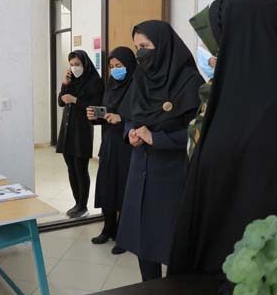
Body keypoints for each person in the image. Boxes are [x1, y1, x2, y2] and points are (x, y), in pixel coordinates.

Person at [169, 0, 277, 279]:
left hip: (258, 268)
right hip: (235, 259)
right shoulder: (243, 96)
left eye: (217, 44)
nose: (209, 53)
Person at [116, 20, 205, 281]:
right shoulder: (140, 77)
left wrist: (156, 138)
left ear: (163, 46)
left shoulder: (189, 81)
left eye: (145, 46)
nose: (140, 53)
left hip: (172, 175)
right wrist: (130, 133)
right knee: (144, 242)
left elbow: (198, 133)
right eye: (137, 47)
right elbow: (130, 116)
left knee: (172, 242)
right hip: (140, 171)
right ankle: (150, 292)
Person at [86, 46, 137, 254]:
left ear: (130, 65)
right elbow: (107, 113)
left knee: (124, 190)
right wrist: (96, 117)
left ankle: (124, 236)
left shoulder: (138, 86)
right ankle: (108, 229)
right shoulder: (111, 86)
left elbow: (143, 115)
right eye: (112, 66)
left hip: (128, 146)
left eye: (119, 65)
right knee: (107, 186)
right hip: (109, 144)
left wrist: (121, 119)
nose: (115, 70)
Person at [57, 50, 104, 218]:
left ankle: (83, 206)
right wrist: (65, 83)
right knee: (71, 168)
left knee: (80, 169)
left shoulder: (94, 81)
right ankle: (77, 203)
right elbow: (61, 102)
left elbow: (96, 106)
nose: (74, 67)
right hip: (67, 129)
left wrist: (75, 100)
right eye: (71, 64)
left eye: (77, 64)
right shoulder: (72, 81)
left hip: (82, 131)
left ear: (85, 63)